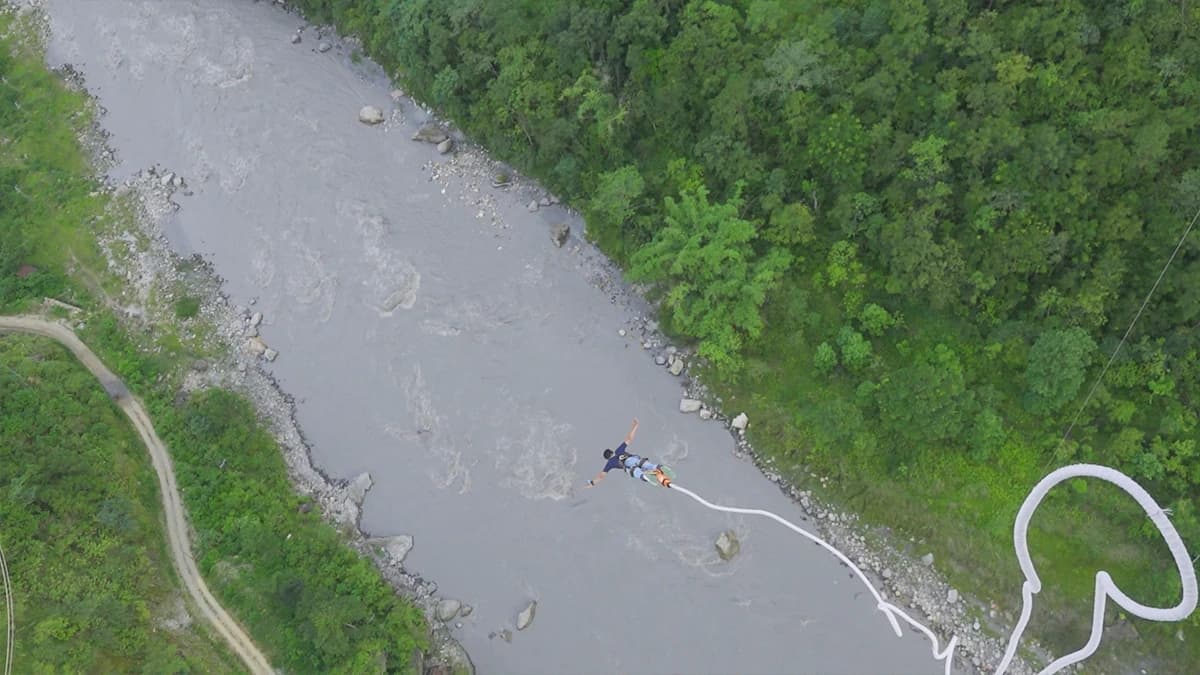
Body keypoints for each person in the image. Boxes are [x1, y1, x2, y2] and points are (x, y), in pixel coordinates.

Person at [585, 418, 669, 488]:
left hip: (629, 465)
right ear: (612, 451)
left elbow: (601, 476)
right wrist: (635, 426)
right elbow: (629, 438)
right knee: (644, 464)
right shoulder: (619, 450)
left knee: (633, 471)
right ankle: (658, 467)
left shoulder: (610, 463)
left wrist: (592, 483)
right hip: (635, 459)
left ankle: (643, 476)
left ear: (608, 458)